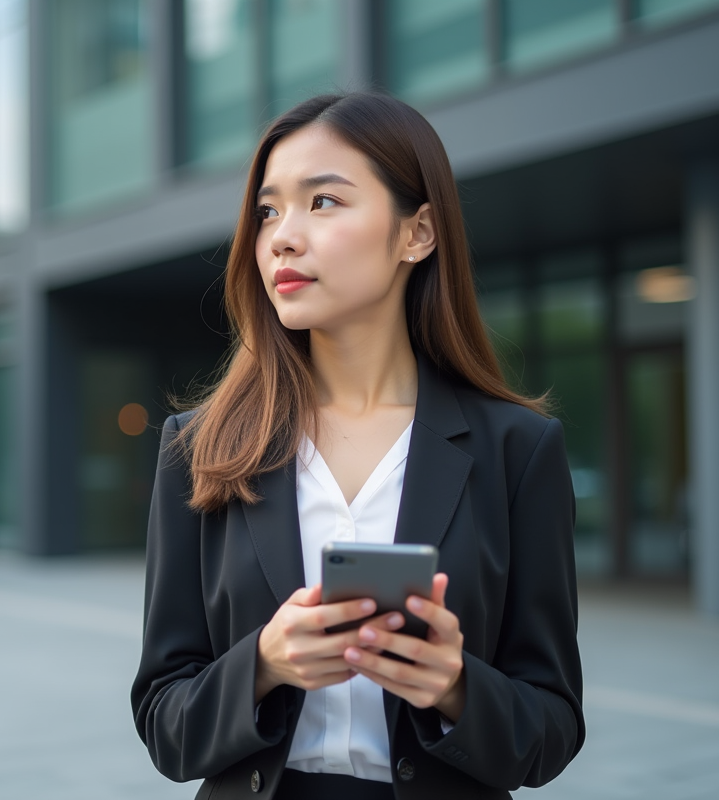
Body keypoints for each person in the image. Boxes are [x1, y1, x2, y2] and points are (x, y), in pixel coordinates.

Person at [131, 92, 584, 800]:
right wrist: (264, 664)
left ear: (418, 233)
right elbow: (164, 722)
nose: (282, 236)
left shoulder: (517, 449)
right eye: (268, 211)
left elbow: (551, 729)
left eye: (324, 202)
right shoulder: (199, 447)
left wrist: (458, 687)